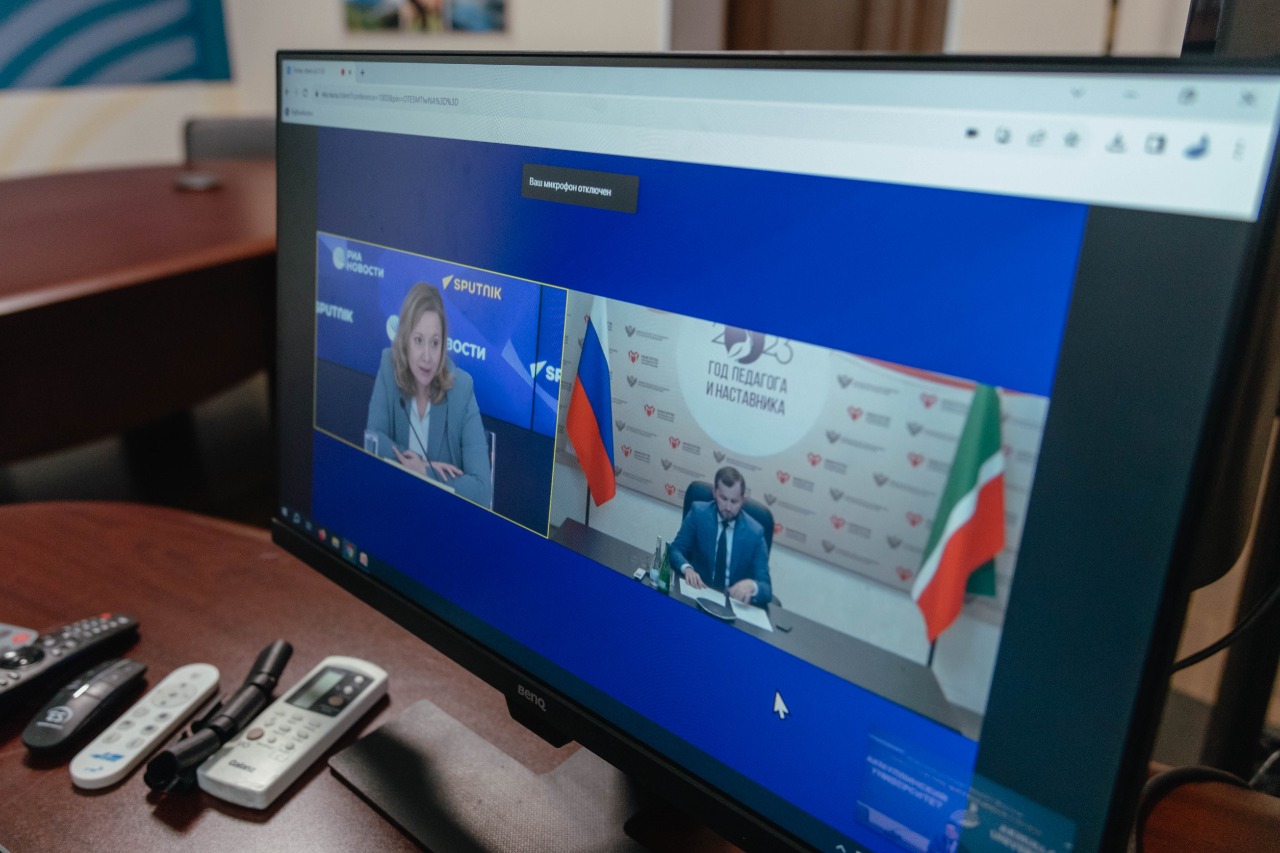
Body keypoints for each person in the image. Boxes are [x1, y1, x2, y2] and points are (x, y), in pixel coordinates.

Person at [366, 282, 492, 507]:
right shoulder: (388, 366)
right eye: (418, 340)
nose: (427, 356)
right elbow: (373, 439)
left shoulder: (461, 388)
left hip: (441, 515)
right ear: (405, 340)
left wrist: (425, 472)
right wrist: (417, 465)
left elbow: (482, 491)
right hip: (394, 504)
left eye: (435, 343)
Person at [669, 467, 772, 607]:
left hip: (731, 604)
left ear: (743, 500)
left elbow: (766, 588)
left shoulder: (755, 533)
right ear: (715, 493)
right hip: (697, 593)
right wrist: (687, 568)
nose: (728, 507)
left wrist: (753, 586)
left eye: (734, 501)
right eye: (723, 498)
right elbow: (675, 550)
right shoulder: (698, 513)